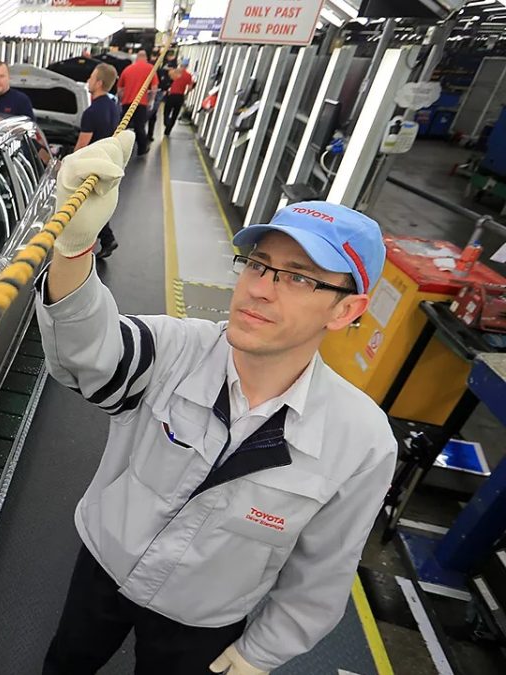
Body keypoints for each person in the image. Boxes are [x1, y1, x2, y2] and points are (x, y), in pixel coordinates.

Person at [39, 134, 397, 675]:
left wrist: (260, 653)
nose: (259, 288)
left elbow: (321, 571)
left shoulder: (361, 442)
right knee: (66, 663)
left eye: (298, 277)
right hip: (104, 568)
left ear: (348, 310)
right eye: (258, 264)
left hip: (201, 622)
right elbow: (92, 355)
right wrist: (73, 250)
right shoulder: (179, 349)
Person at [73, 63, 121, 258]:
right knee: (97, 206)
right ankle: (108, 239)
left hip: (90, 167)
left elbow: (81, 147)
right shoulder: (113, 106)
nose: (88, 81)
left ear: (99, 83)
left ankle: (84, 248)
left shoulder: (91, 113)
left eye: (91, 78)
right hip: (108, 162)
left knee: (86, 208)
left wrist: (67, 164)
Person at [117, 49, 155, 155]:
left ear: (136, 58)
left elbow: (120, 89)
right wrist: (151, 101)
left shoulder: (127, 69)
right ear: (146, 58)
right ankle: (142, 149)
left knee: (123, 126)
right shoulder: (151, 69)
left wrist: (121, 100)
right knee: (139, 127)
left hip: (127, 102)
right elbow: (154, 87)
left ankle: (120, 148)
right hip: (141, 103)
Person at [164, 57, 196, 135]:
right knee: (175, 114)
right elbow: (190, 88)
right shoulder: (188, 76)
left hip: (171, 95)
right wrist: (187, 93)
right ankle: (168, 130)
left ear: (180, 64)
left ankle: (166, 122)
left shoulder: (173, 72)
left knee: (166, 112)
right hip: (180, 97)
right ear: (187, 66)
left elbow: (167, 81)